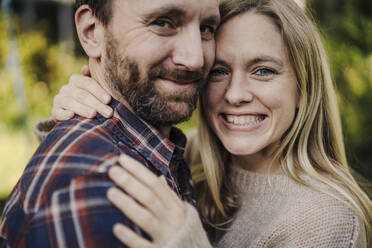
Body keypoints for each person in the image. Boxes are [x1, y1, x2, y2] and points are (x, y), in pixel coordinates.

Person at [41, 0, 372, 247]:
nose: (236, 95)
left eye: (264, 71)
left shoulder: (324, 221)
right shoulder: (191, 157)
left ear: (305, 88)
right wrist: (79, 120)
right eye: (220, 71)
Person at [0, 0, 220, 247]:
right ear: (91, 32)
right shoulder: (97, 193)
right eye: (162, 23)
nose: (195, 59)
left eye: (206, 28)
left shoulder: (176, 154)